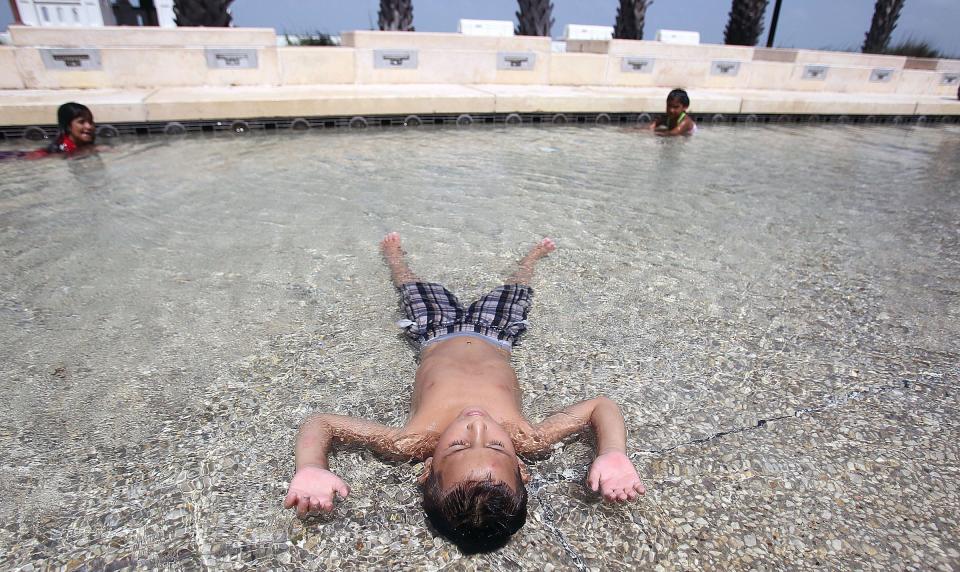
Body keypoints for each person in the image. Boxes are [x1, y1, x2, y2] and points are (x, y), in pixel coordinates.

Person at [283, 233, 646, 554]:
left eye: (457, 446)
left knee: (412, 288)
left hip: (434, 332)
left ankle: (395, 257)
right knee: (516, 290)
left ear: (427, 469)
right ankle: (531, 259)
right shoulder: (530, 438)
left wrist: (312, 467)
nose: (477, 428)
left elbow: (322, 422)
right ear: (522, 466)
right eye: (497, 446)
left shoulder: (410, 442)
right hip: (497, 333)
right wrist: (613, 453)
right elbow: (601, 405)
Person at [22, 102, 98, 159]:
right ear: (68, 126)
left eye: (91, 122)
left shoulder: (81, 144)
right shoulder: (64, 147)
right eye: (81, 122)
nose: (89, 126)